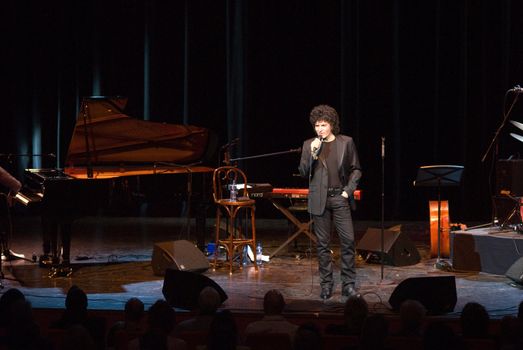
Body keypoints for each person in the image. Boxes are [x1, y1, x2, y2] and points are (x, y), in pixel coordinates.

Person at [298, 104, 362, 300]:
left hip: (339, 197)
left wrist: (347, 191)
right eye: (317, 125)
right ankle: (326, 285)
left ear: (332, 125)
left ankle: (348, 285)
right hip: (319, 200)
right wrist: (312, 153)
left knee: (348, 241)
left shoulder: (346, 142)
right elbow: (302, 172)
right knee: (323, 245)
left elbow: (356, 169)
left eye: (323, 125)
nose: (319, 129)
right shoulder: (309, 145)